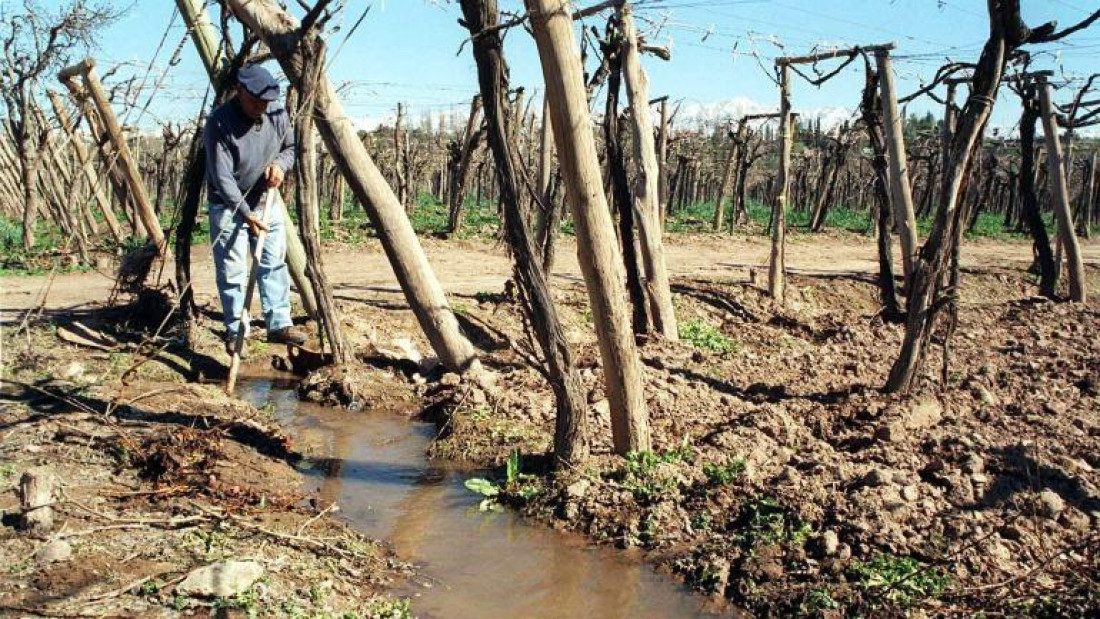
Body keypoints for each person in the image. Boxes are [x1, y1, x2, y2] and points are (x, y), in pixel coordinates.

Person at [204, 64, 307, 356]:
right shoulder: (219, 123)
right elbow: (221, 177)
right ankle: (237, 332)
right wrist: (245, 215)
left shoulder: (275, 112)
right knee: (233, 270)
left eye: (265, 102)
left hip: (267, 201)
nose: (261, 107)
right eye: (255, 101)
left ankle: (279, 324)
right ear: (240, 91)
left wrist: (281, 166)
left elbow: (290, 148)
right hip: (228, 206)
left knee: (273, 261)